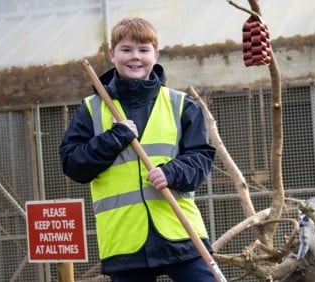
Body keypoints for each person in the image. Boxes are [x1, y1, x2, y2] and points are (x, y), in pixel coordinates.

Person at [59, 17, 216, 282]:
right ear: (112, 54)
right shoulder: (91, 109)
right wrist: (113, 139)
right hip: (124, 241)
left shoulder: (181, 105)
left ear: (156, 54)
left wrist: (172, 172)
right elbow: (73, 163)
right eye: (127, 50)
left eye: (143, 50)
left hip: (180, 232)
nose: (135, 57)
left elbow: (201, 159)